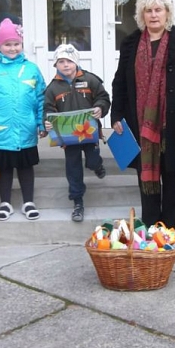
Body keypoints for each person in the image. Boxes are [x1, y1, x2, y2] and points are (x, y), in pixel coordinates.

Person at [111, 0, 175, 230]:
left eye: (158, 10)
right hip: (140, 124)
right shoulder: (130, 43)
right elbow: (120, 80)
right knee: (146, 178)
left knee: (172, 176)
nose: (153, 15)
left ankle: (169, 229)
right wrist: (116, 114)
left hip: (173, 122)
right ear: (142, 15)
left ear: (167, 13)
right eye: (148, 10)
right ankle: (151, 229)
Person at [0, 19, 47, 221]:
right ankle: (5, 202)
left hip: (26, 127)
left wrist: (41, 123)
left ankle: (28, 202)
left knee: (25, 166)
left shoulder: (31, 69)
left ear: (22, 45)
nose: (12, 48)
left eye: (16, 44)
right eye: (7, 44)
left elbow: (41, 98)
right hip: (0, 129)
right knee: (3, 168)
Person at [43, 44, 110, 223]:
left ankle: (97, 166)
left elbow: (103, 98)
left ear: (76, 62)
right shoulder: (52, 88)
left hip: (90, 133)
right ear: (56, 65)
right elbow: (47, 110)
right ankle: (78, 202)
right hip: (68, 138)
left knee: (92, 160)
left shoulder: (90, 80)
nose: (65, 65)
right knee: (73, 168)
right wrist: (47, 123)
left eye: (69, 61)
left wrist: (100, 108)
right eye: (61, 62)